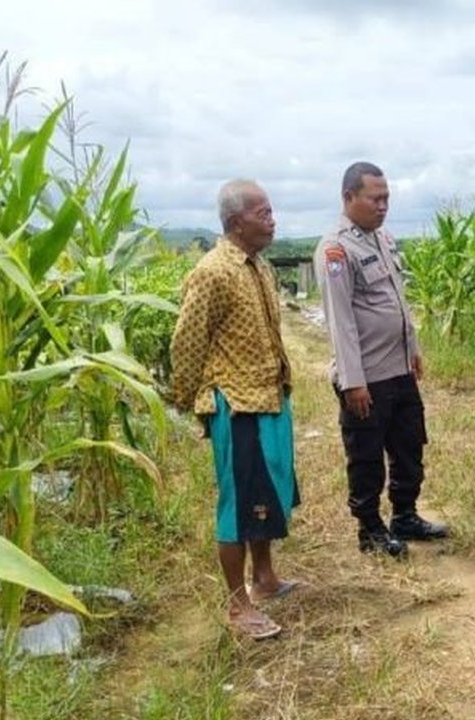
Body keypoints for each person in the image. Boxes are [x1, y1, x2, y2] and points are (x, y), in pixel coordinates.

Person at [170, 179, 300, 640]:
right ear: (235, 222)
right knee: (238, 504)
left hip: (269, 396)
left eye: (271, 210)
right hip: (237, 403)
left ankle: (265, 579)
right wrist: (191, 402)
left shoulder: (258, 266)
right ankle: (237, 605)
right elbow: (186, 342)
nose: (272, 219)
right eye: (262, 212)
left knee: (264, 495)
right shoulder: (212, 272)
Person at [315, 162, 448, 558]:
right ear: (348, 197)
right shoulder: (336, 249)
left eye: (387, 198)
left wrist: (414, 351)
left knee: (410, 446)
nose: (383, 206)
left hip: (399, 369)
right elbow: (341, 321)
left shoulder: (382, 240)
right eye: (375, 198)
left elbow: (397, 302)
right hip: (367, 377)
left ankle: (404, 515)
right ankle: (370, 529)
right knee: (367, 456)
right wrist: (353, 382)